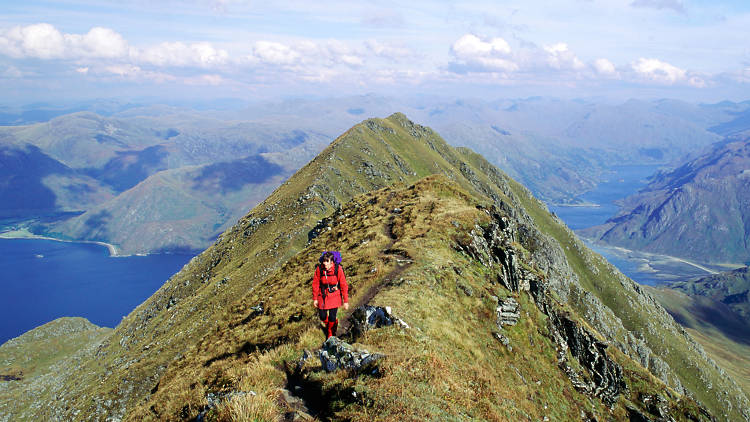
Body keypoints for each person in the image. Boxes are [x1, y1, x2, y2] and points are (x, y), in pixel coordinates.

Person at [312, 251, 349, 339]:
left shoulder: (338, 269)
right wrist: (315, 298)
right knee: (322, 316)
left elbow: (343, 284)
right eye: (324, 261)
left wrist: (346, 301)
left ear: (331, 262)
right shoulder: (319, 269)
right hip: (323, 294)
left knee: (332, 315)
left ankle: (330, 332)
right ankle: (331, 324)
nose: (324, 264)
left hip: (334, 295)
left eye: (327, 261)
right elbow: (315, 283)